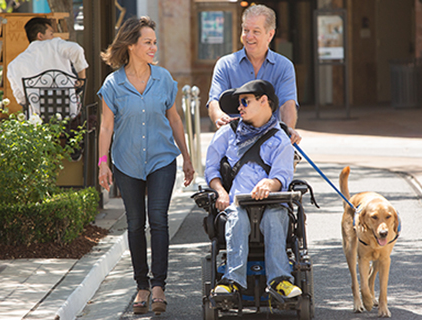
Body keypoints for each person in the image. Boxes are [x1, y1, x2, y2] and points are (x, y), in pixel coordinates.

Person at [97, 16, 194, 315]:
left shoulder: (163, 78)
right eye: (148, 43)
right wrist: (103, 163)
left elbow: (175, 119)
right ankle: (141, 284)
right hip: (126, 163)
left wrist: (187, 157)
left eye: (155, 42)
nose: (153, 48)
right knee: (135, 223)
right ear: (131, 45)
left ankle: (158, 286)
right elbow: (106, 127)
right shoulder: (113, 84)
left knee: (159, 220)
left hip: (162, 159)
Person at [204, 79, 301, 298]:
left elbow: (282, 175)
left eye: (245, 102)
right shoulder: (227, 133)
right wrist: (220, 191)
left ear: (263, 100)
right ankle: (232, 281)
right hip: (237, 203)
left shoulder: (280, 139)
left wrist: (270, 183)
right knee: (237, 219)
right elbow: (210, 169)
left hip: (273, 203)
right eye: (239, 103)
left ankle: (281, 281)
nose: (240, 108)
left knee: (274, 218)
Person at [207, 4, 302, 145]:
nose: (249, 36)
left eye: (256, 31)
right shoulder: (225, 65)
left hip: (271, 145)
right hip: (234, 145)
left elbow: (287, 103)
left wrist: (288, 131)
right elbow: (214, 101)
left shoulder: (284, 66)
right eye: (246, 30)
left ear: (270, 34)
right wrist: (220, 117)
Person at [7, 17, 89, 116]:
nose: (53, 37)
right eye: (51, 34)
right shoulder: (55, 45)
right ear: (40, 36)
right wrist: (81, 80)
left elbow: (21, 99)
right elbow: (77, 49)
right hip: (69, 111)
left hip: (38, 117)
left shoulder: (14, 65)